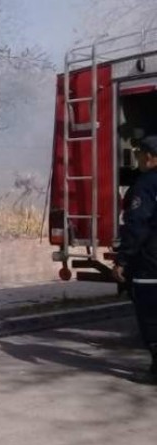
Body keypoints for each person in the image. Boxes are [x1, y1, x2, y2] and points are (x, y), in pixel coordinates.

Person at [113, 134, 157, 381]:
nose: (137, 159)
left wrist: (123, 260)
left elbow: (137, 227)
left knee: (150, 315)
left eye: (139, 154)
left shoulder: (146, 184)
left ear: (149, 157)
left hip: (151, 262)